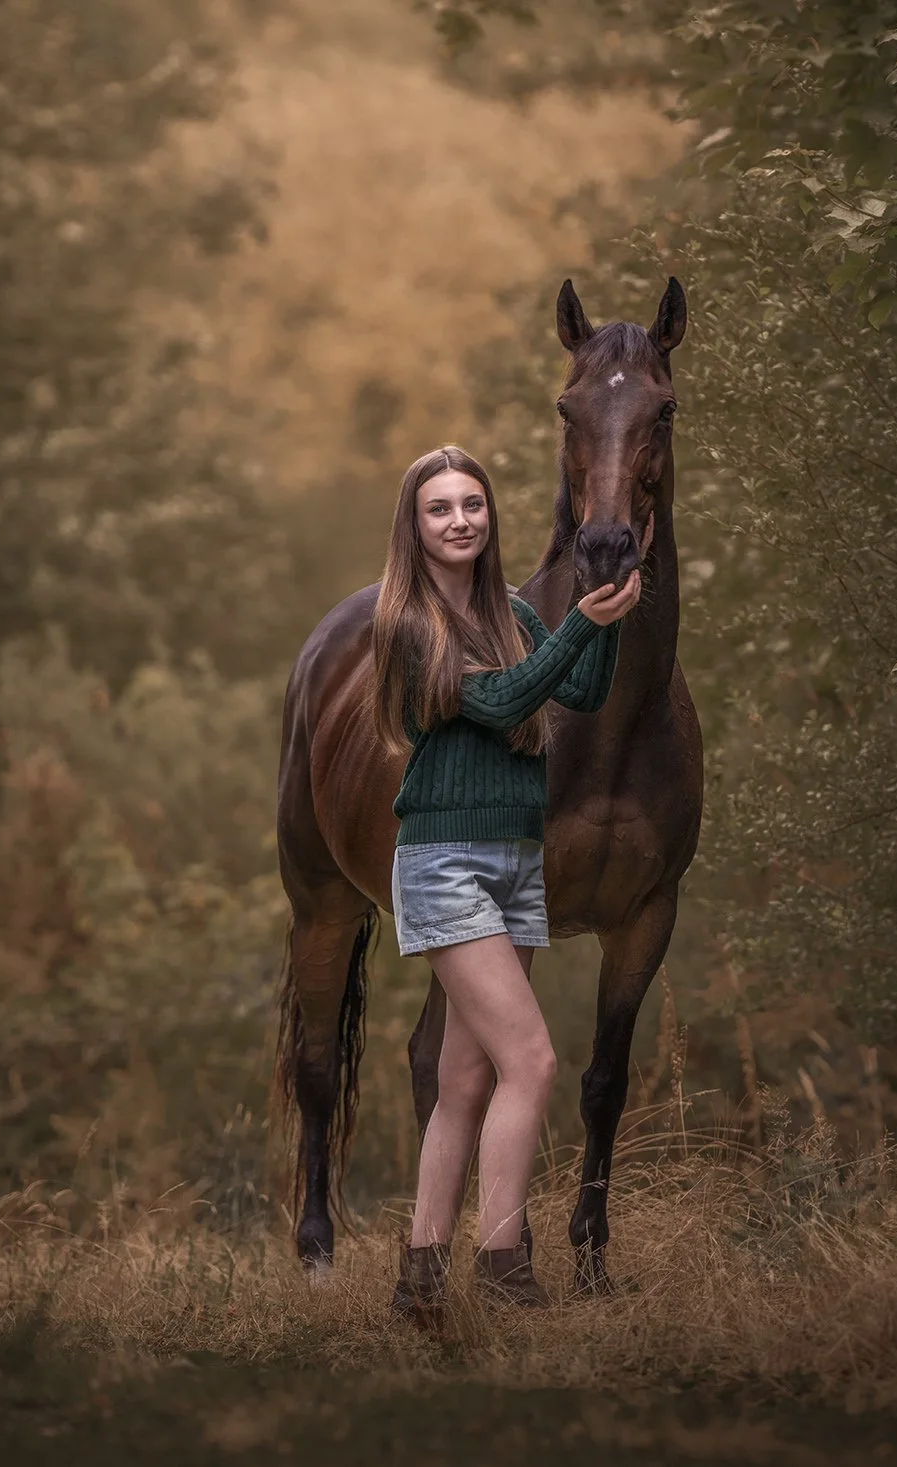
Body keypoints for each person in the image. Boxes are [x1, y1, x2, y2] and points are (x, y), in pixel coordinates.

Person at [371, 445, 641, 1323]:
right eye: (440, 508)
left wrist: (606, 610)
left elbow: (581, 692)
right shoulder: (409, 622)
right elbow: (501, 702)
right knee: (532, 1060)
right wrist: (579, 626)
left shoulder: (514, 613)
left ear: (490, 515)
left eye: (473, 504)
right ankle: (501, 1266)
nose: (460, 520)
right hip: (445, 860)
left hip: (517, 861)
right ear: (415, 527)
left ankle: (419, 1281)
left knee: (465, 1081)